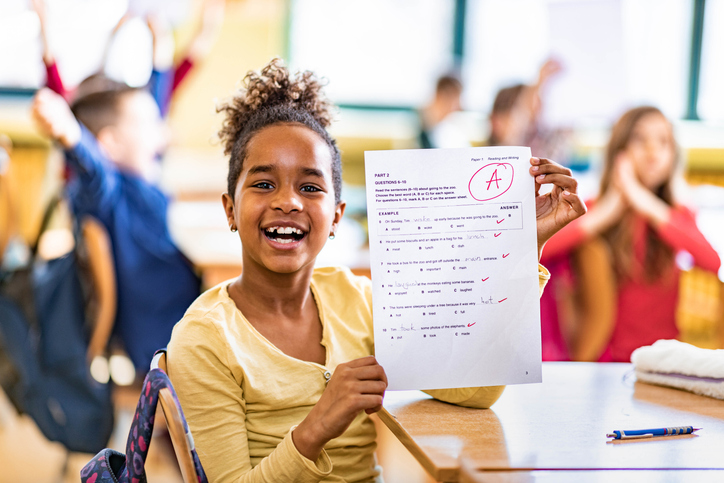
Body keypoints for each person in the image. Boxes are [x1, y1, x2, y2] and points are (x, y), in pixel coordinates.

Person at [165, 58, 586, 482]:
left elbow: (474, 392)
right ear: (230, 209)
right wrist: (317, 427)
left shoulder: (358, 301)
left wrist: (521, 247)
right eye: (263, 184)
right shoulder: (205, 338)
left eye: (310, 187)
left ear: (336, 218)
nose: (288, 202)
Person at [30, 82, 201, 373]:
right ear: (110, 144)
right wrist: (71, 136)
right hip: (165, 334)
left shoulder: (142, 184)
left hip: (177, 320)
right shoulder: (109, 193)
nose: (159, 132)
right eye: (147, 123)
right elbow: (93, 172)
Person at [541, 106, 721, 362]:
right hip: (603, 362)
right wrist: (606, 212)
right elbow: (539, 254)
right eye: (640, 139)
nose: (652, 150)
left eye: (663, 141)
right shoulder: (594, 209)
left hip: (661, 360)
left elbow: (713, 262)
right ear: (619, 152)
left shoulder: (673, 216)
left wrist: (643, 201)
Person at [487, 59, 569, 162]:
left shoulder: (540, 137)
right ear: (496, 121)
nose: (533, 109)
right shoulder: (498, 153)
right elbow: (520, 122)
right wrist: (539, 82)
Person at [418, 74, 467, 148]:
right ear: (444, 96)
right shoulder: (419, 123)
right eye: (456, 99)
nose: (459, 107)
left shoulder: (443, 127)